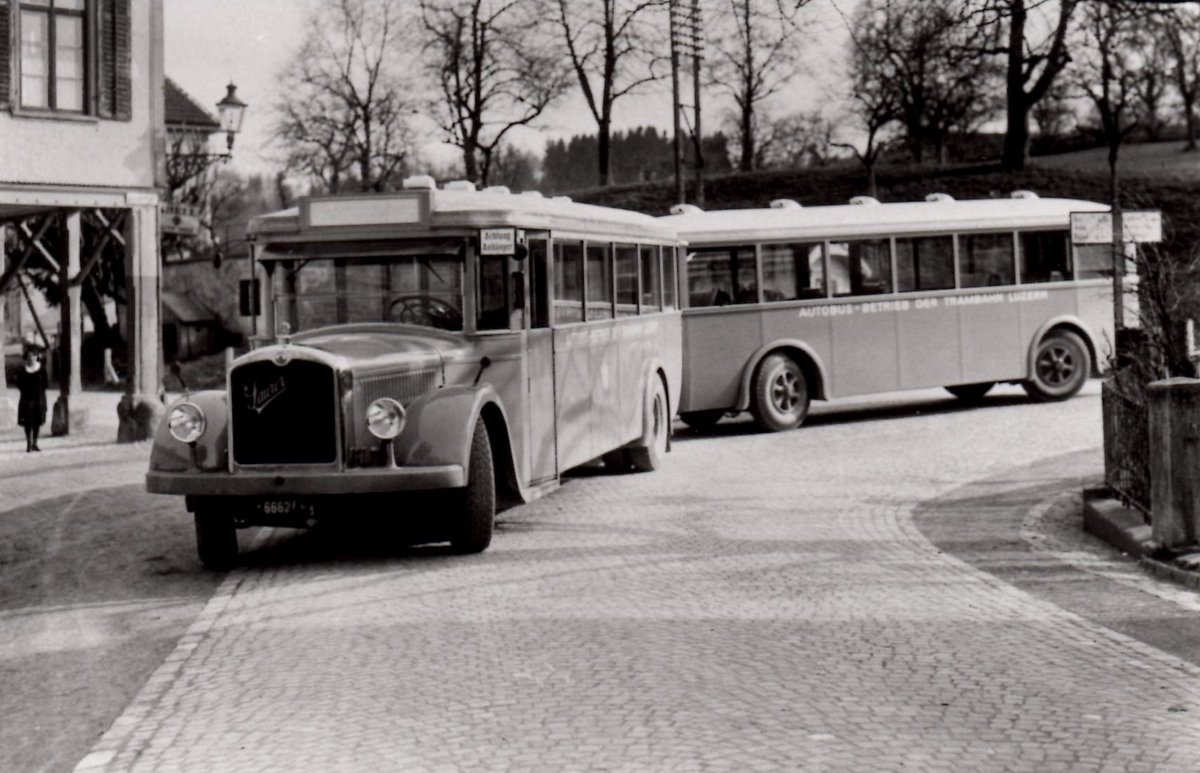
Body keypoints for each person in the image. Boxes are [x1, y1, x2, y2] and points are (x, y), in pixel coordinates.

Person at [16, 344, 48, 452]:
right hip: (26, 399)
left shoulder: (41, 369)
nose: (31, 358)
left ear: (36, 357)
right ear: (26, 357)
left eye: (34, 356)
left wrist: (39, 393)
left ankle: (35, 443)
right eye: (29, 356)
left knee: (37, 422)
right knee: (27, 422)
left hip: (39, 399)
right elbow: (18, 383)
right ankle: (28, 444)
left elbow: (46, 383)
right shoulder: (22, 370)